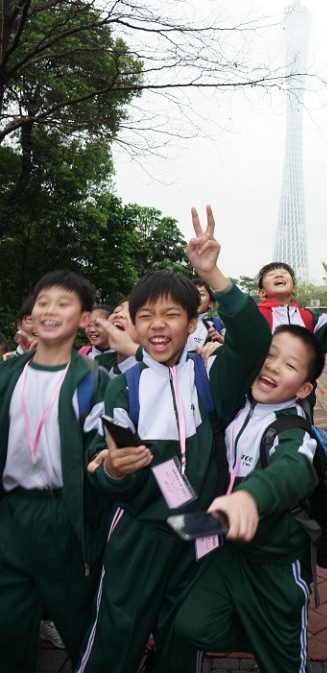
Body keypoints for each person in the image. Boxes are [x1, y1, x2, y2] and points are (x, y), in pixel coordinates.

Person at [75, 206, 271, 673]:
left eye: (171, 314)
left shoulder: (210, 376)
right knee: (117, 632)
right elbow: (103, 467)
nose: (158, 325)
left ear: (192, 321)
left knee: (182, 637)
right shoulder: (121, 386)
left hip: (198, 526)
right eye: (145, 316)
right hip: (139, 527)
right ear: (133, 325)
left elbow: (253, 338)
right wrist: (113, 470)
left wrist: (212, 274)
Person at [155, 324, 325, 673]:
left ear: (304, 389)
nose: (273, 366)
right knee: (192, 626)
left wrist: (250, 497)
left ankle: (274, 637)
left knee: (285, 666)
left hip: (275, 564)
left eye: (290, 365)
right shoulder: (235, 406)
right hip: (228, 554)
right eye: (269, 355)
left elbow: (292, 470)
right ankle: (262, 633)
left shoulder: (294, 431)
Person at [0, 270, 111, 673]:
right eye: (43, 302)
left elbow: (101, 452)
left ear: (84, 319)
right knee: (9, 625)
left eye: (63, 304)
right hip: (11, 512)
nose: (49, 310)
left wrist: (111, 468)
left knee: (80, 624)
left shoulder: (94, 381)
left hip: (65, 516)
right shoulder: (7, 375)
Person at [257, 258, 327, 352]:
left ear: (294, 289)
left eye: (284, 273)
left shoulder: (310, 318)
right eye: (271, 274)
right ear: (262, 292)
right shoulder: (254, 316)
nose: (279, 275)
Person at [186, 278, 225, 350]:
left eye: (201, 294)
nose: (196, 297)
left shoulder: (216, 326)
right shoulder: (175, 321)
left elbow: (237, 349)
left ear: (210, 303)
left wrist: (221, 341)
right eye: (192, 293)